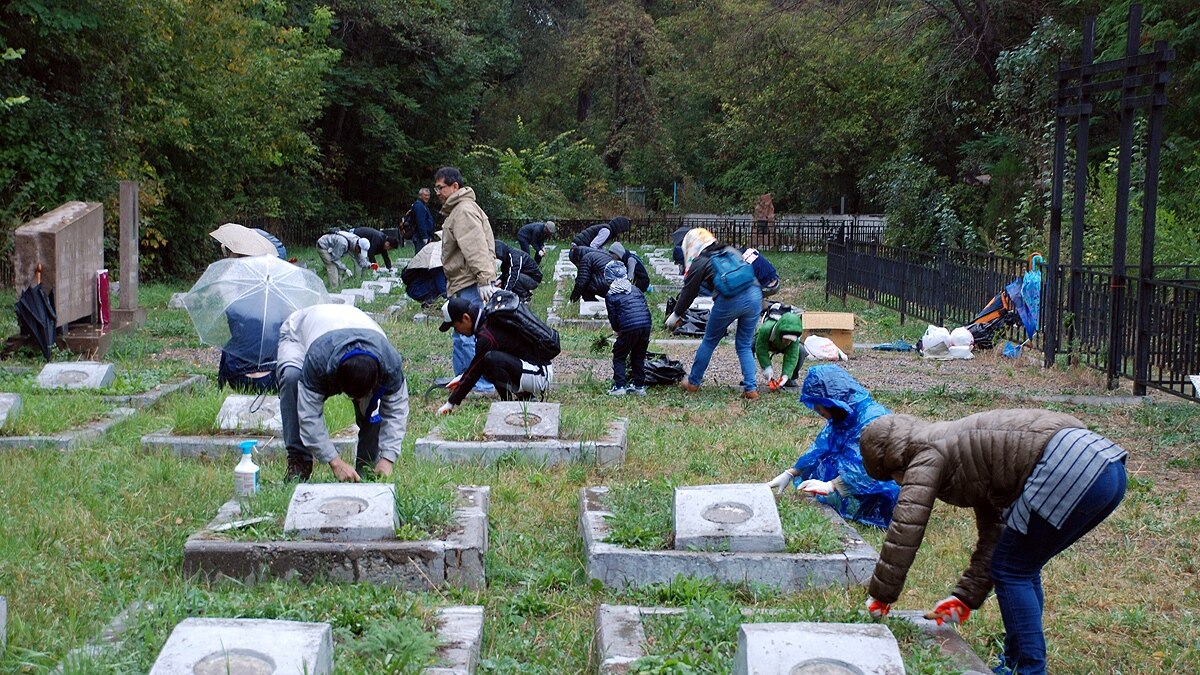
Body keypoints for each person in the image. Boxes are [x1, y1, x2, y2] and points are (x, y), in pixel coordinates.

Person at [858, 409, 1128, 675]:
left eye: (892, 477)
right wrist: (964, 597)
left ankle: (1028, 669)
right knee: (1021, 565)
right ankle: (1016, 661)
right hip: (1106, 467)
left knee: (1013, 569)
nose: (898, 482)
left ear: (892, 461)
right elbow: (995, 532)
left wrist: (881, 597)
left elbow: (905, 528)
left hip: (1070, 467)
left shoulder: (925, 453)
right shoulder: (961, 449)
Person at [276, 304, 409, 482]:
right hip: (300, 334)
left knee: (373, 406)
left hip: (357, 328)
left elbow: (396, 410)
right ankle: (299, 461)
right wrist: (335, 462)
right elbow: (309, 415)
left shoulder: (389, 364)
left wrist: (388, 458)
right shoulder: (318, 362)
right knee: (293, 378)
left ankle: (367, 466)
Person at [765, 365, 899, 527]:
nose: (815, 408)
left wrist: (832, 485)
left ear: (831, 400)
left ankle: (869, 508)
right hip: (864, 483)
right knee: (831, 457)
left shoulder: (871, 419)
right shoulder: (844, 417)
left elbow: (871, 468)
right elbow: (822, 447)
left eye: (818, 403)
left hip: (886, 489)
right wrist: (791, 473)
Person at [665, 228, 763, 399]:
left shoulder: (701, 261)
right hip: (755, 295)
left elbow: (689, 291)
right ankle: (751, 388)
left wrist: (675, 315)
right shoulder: (730, 250)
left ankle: (693, 382)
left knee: (709, 341)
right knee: (744, 345)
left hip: (730, 299)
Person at [435, 166, 497, 395]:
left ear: (455, 186)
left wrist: (484, 279)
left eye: (440, 187)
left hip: (468, 282)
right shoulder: (461, 209)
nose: (437, 192)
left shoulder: (462, 210)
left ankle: (478, 385)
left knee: (466, 335)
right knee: (465, 334)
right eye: (436, 188)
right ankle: (465, 380)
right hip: (466, 281)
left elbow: (475, 247)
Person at [437, 296, 554, 412]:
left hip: (540, 374)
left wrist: (450, 403)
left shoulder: (486, 336)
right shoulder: (488, 319)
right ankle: (524, 397)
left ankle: (507, 405)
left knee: (490, 360)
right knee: (487, 363)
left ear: (466, 318)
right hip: (537, 369)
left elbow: (474, 372)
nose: (457, 332)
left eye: (455, 327)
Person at [602, 261, 652, 396]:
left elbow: (613, 316)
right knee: (638, 356)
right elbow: (643, 307)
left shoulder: (611, 294)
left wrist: (617, 330)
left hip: (629, 327)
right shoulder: (635, 289)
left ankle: (619, 386)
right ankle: (639, 386)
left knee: (619, 355)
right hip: (646, 324)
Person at [754, 304, 805, 391]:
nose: (788, 342)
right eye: (786, 339)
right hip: (768, 341)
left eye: (790, 340)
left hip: (780, 344)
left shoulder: (795, 336)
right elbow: (761, 349)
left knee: (801, 350)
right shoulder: (766, 329)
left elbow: (792, 356)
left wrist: (785, 375)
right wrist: (767, 368)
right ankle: (750, 377)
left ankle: (790, 378)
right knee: (749, 345)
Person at [411, 187, 435, 252]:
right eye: (425, 195)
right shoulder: (419, 206)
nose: (427, 197)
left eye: (428, 195)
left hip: (424, 236)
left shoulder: (423, 205)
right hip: (420, 237)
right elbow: (420, 222)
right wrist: (425, 236)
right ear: (420, 196)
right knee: (420, 257)